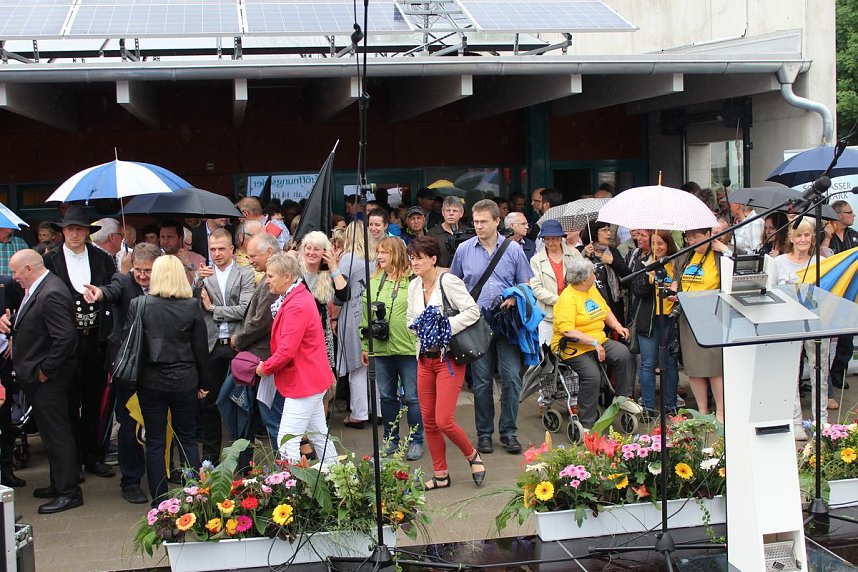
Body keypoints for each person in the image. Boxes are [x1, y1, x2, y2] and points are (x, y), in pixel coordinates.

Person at [450, 199, 533, 455]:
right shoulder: (463, 249)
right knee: (483, 382)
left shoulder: (513, 249)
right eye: (475, 222)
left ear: (498, 221)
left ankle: (509, 432)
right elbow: (452, 284)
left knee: (511, 378)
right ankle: (484, 434)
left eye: (483, 221)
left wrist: (514, 296)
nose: (478, 226)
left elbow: (527, 283)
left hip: (507, 324)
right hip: (476, 324)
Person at [82, 243, 161, 504]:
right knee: (129, 425)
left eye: (147, 271)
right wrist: (99, 294)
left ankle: (161, 476)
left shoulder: (166, 282)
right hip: (127, 368)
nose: (142, 276)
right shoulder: (123, 281)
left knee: (157, 424)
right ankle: (130, 480)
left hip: (157, 367)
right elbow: (112, 291)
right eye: (138, 270)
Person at [3, 250, 81, 513]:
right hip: (39, 376)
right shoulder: (39, 288)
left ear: (28, 269)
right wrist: (11, 321)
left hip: (49, 379)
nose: (13, 278)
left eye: (15, 272)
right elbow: (34, 322)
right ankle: (58, 483)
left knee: (57, 434)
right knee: (49, 433)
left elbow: (65, 338)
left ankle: (69, 492)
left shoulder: (51, 292)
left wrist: (45, 371)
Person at [43, 206, 117, 479]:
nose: (74, 233)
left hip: (95, 343)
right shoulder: (49, 261)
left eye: (79, 229)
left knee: (94, 402)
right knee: (67, 404)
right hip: (64, 346)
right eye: (69, 228)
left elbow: (113, 292)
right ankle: (71, 461)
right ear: (62, 231)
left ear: (88, 232)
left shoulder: (102, 259)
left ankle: (94, 456)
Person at [406, 236, 484, 490]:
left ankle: (472, 454)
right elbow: (409, 319)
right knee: (427, 420)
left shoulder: (447, 281)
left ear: (433, 259)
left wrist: (443, 327)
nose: (414, 262)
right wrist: (419, 327)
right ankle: (441, 474)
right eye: (412, 257)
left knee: (443, 420)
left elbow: (473, 311)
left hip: (447, 359)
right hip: (424, 359)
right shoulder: (413, 286)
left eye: (419, 258)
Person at [134, 255, 209, 504]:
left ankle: (160, 501)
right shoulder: (191, 306)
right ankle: (194, 496)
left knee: (155, 442)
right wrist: (205, 383)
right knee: (187, 438)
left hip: (151, 380)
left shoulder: (140, 304)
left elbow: (135, 346)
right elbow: (201, 349)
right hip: (185, 378)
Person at [256, 252, 338, 466]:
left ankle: (292, 489)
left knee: (287, 440)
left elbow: (286, 351)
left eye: (270, 276)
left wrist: (266, 368)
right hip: (312, 378)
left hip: (304, 382)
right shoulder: (298, 296)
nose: (267, 280)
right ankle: (341, 481)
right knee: (320, 437)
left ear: (287, 277)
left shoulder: (296, 304)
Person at [552, 257, 638, 430]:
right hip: (573, 346)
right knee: (592, 376)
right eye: (593, 273)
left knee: (623, 355)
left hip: (598, 340)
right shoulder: (567, 298)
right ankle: (586, 423)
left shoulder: (591, 290)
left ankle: (621, 398)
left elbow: (605, 310)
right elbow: (567, 331)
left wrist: (617, 326)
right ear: (584, 279)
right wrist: (593, 343)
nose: (595, 275)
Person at [360, 237, 424, 460]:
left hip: (408, 349)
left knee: (413, 397)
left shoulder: (414, 281)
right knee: (387, 397)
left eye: (384, 252)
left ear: (396, 253)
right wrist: (366, 345)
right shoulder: (375, 280)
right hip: (382, 348)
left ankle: (416, 440)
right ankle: (390, 440)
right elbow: (366, 317)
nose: (379, 256)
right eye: (378, 252)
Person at [197, 228, 255, 462]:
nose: (217, 253)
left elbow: (244, 309)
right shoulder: (203, 275)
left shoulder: (245, 274)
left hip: (236, 345)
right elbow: (194, 307)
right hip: (211, 346)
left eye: (221, 249)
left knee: (242, 402)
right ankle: (209, 459)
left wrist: (212, 309)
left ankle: (244, 459)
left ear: (232, 249)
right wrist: (197, 282)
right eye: (213, 249)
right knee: (209, 403)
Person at [772, 218, 831, 436]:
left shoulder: (821, 262)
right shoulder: (779, 263)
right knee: (790, 373)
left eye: (807, 235)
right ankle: (795, 421)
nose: (803, 239)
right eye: (798, 235)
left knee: (820, 373)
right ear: (790, 238)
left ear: (813, 237)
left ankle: (821, 422)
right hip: (788, 324)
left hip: (817, 323)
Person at [677, 227, 725, 423]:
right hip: (688, 315)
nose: (691, 241)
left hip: (713, 314)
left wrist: (726, 250)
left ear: (708, 235)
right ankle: (702, 411)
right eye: (688, 237)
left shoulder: (719, 256)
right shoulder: (684, 257)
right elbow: (676, 282)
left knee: (714, 367)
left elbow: (739, 270)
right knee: (694, 367)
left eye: (696, 237)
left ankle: (721, 411)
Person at [631, 231, 681, 417]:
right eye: (653, 243)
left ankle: (671, 405)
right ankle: (649, 408)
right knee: (648, 363)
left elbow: (683, 287)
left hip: (669, 319)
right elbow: (636, 290)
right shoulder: (643, 263)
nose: (657, 247)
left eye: (661, 243)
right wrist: (647, 279)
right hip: (649, 322)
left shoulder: (676, 263)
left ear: (668, 244)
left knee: (670, 363)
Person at [336, 222, 375, 429]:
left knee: (357, 367)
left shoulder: (347, 259)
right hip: (376, 315)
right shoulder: (377, 256)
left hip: (353, 315)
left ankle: (359, 414)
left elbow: (339, 292)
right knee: (376, 366)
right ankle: (377, 411)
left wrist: (334, 317)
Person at [529, 220, 581, 346]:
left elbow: (583, 279)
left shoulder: (574, 254)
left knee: (574, 351)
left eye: (554, 238)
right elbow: (536, 288)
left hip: (574, 312)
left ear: (560, 238)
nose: (550, 242)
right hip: (548, 315)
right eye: (546, 239)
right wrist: (560, 300)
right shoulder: (536, 260)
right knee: (548, 354)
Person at [829, 200, 858, 394]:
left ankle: (839, 371)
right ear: (839, 215)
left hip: (850, 292)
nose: (853, 216)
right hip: (831, 292)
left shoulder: (854, 236)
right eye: (850, 213)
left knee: (848, 336)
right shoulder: (827, 237)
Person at [579, 220, 631, 323]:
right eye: (604, 230)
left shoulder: (612, 251)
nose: (609, 233)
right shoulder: (581, 251)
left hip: (613, 305)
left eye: (608, 230)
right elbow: (574, 276)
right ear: (594, 233)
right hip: (591, 306)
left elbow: (627, 275)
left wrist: (612, 261)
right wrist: (584, 255)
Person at [427, 196, 472, 269]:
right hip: (440, 276)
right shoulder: (432, 234)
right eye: (448, 210)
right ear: (442, 212)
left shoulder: (468, 232)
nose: (451, 214)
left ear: (461, 213)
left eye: (455, 211)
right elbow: (427, 261)